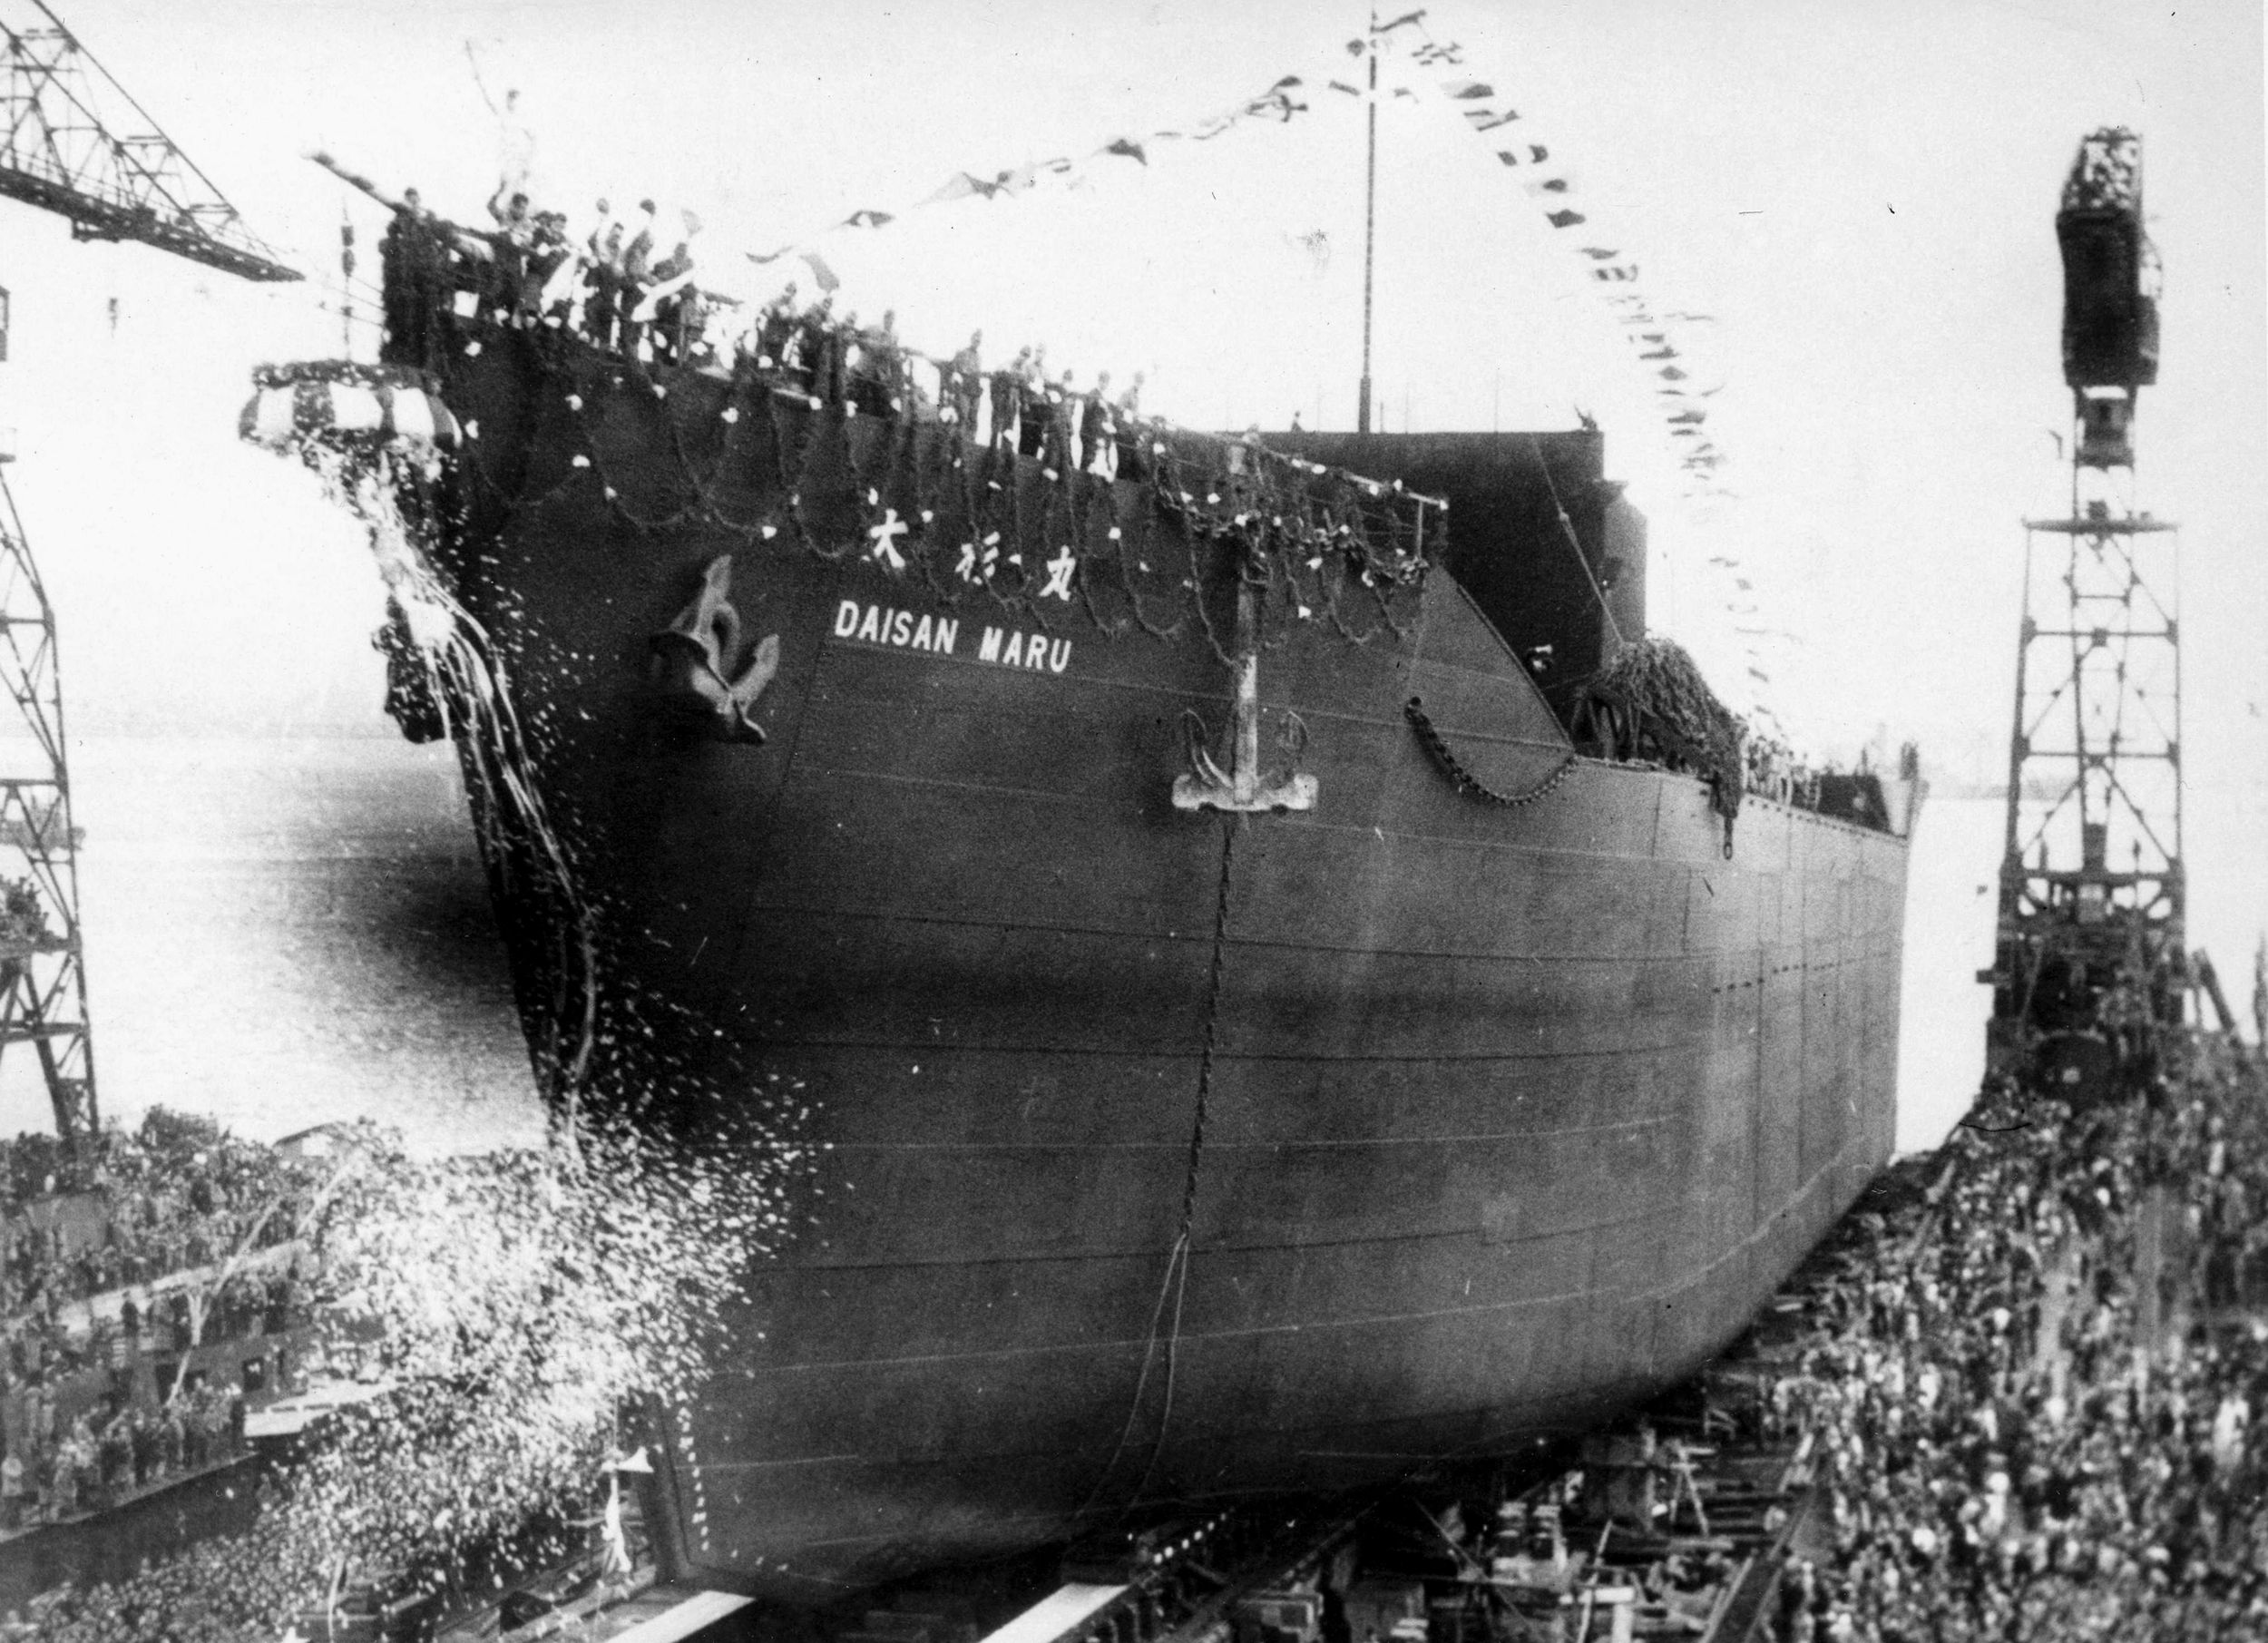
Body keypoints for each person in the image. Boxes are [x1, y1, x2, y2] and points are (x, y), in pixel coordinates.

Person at [945, 330, 982, 430]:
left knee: (974, 415)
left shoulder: (979, 357)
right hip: (964, 387)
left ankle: (969, 440)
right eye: (975, 340)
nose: (976, 342)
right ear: (971, 339)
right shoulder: (962, 352)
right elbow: (953, 367)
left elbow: (978, 372)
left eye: (978, 341)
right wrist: (956, 376)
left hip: (975, 388)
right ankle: (959, 439)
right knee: (963, 414)